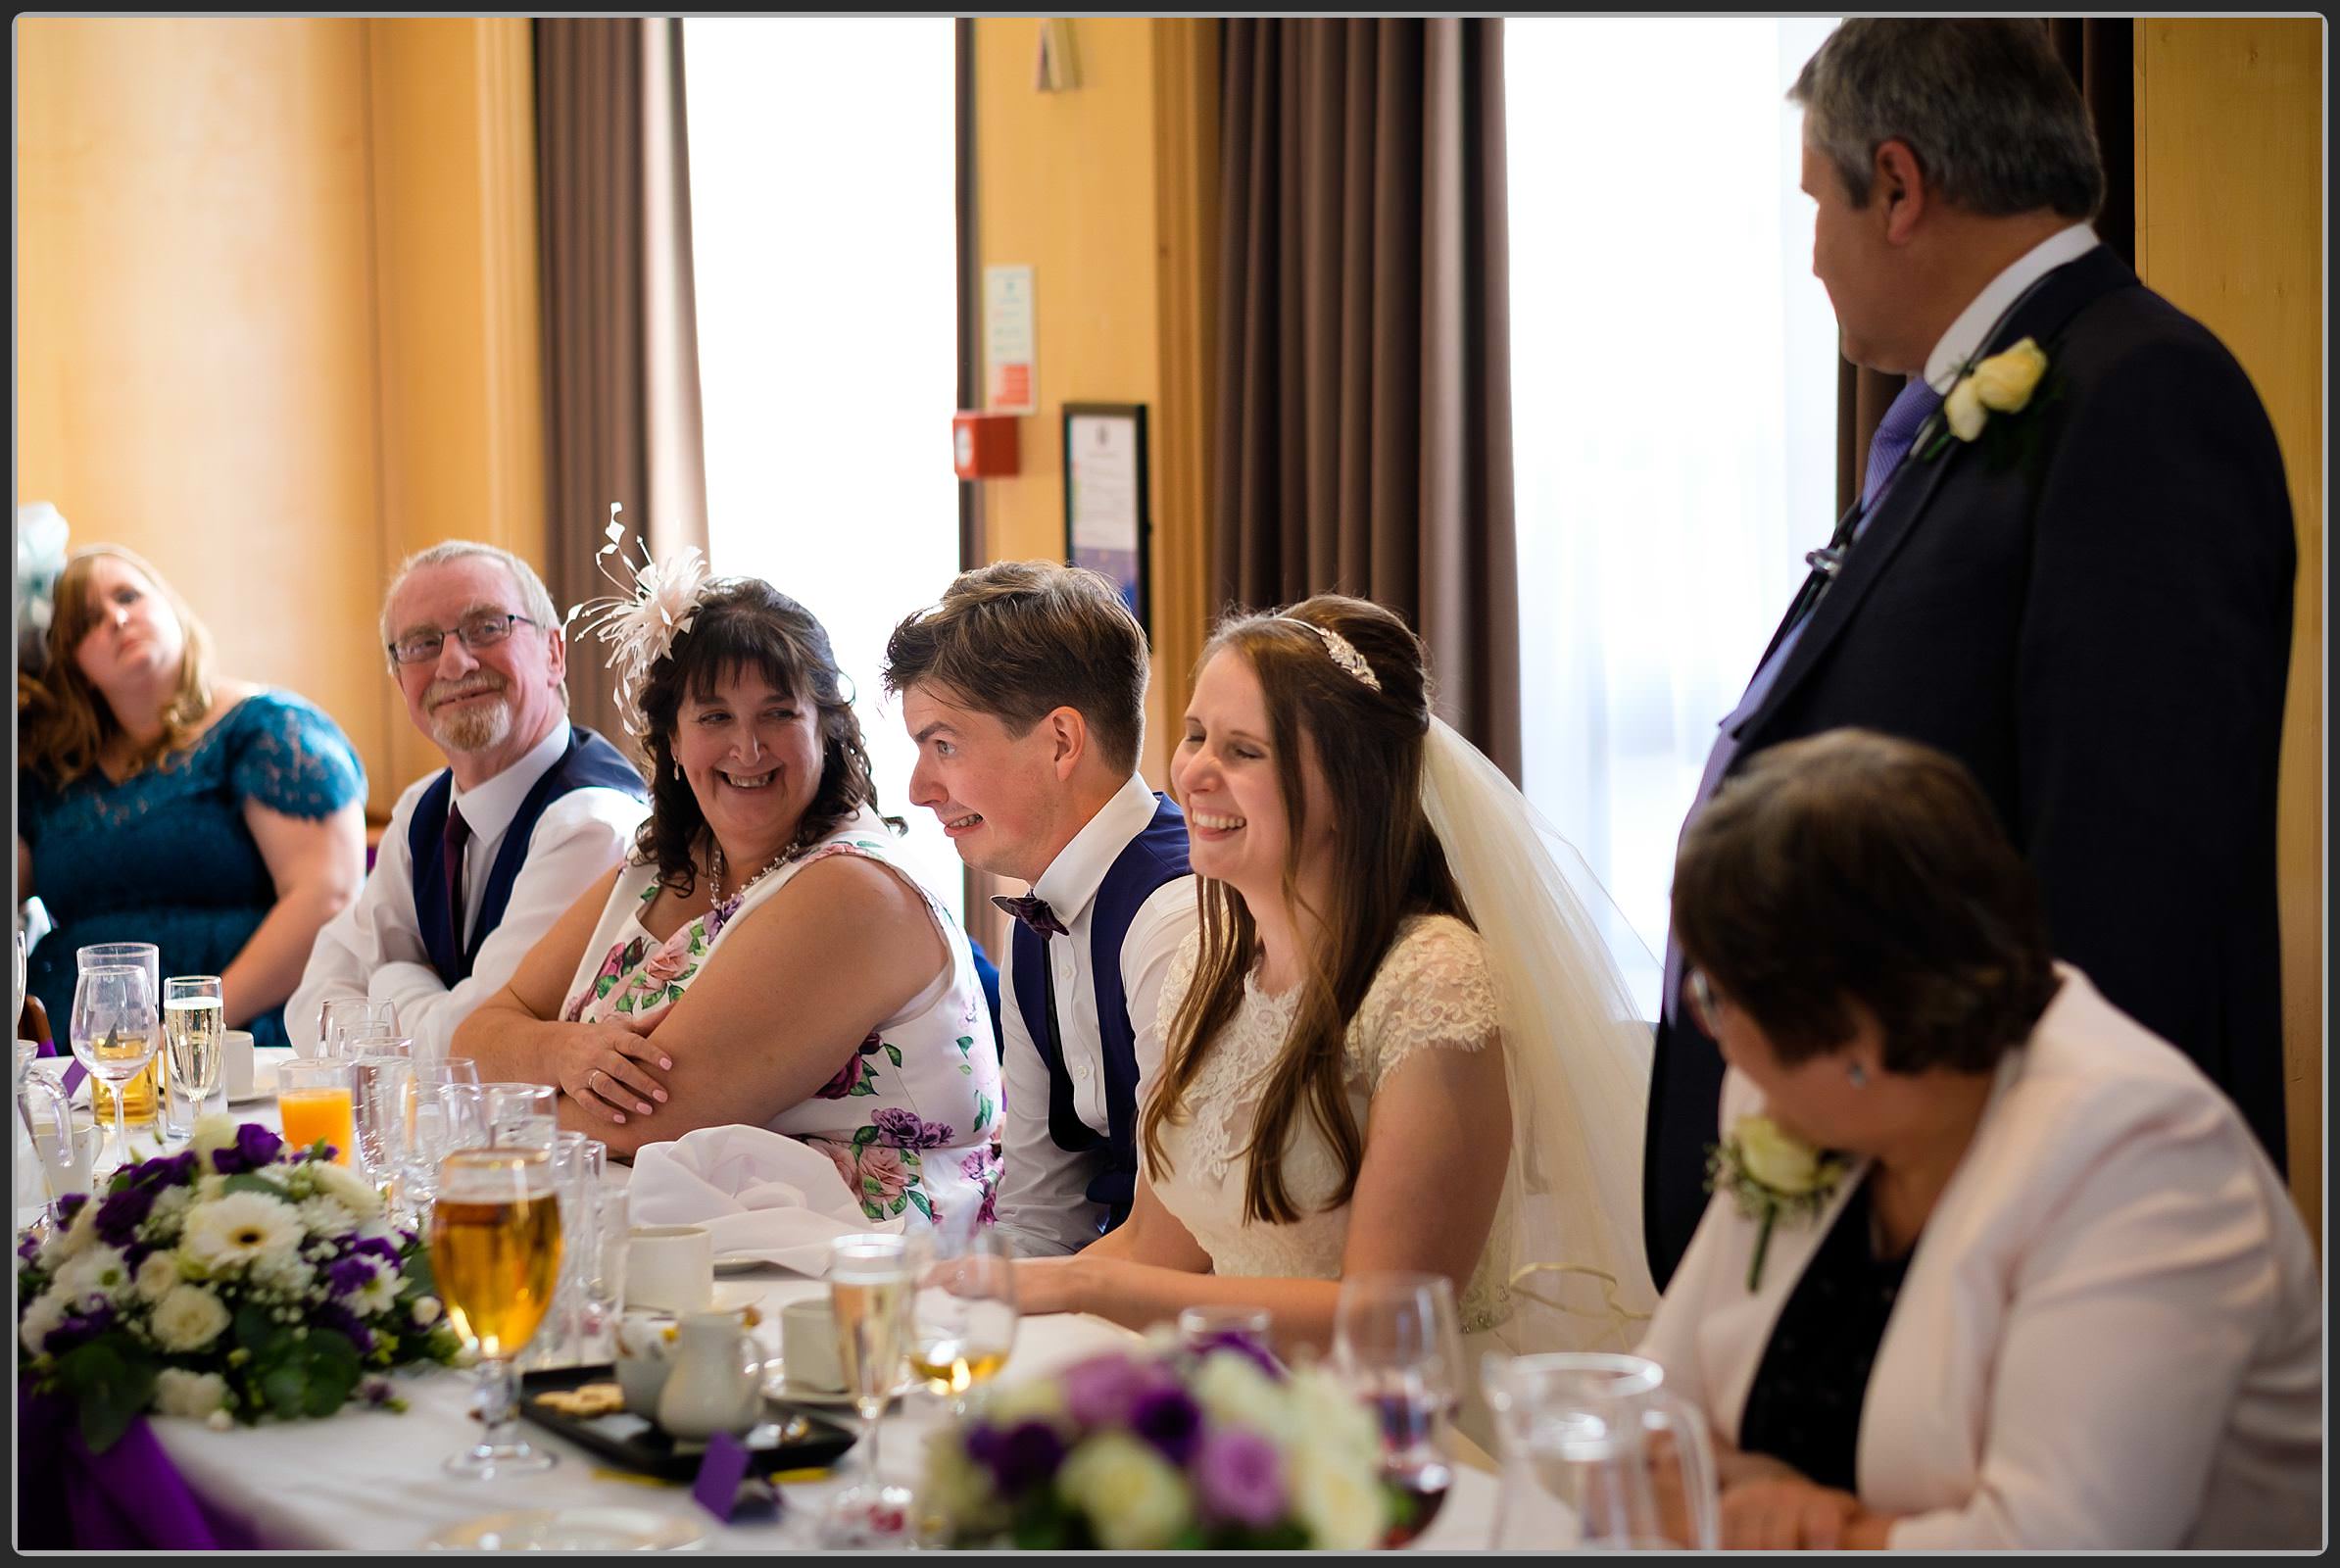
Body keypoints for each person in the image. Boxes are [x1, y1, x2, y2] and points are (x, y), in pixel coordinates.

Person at [1643, 18, 2298, 1287]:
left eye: (1815, 210)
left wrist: (1970, 1223)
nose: (1815, 262)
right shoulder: (1989, 396)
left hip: (2021, 1228)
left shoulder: (2140, 397)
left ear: (1898, 186)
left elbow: (2126, 881)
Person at [1639, 729, 2319, 1550]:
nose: (1710, 1028)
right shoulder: (1804, 1106)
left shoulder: (2138, 1154)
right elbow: (1658, 1416)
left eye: (1718, 995)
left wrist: (1821, 1530)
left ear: (1856, 1033)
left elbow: (2061, 1541)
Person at [1012, 595, 1657, 1435]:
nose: (1196, 773)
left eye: (1244, 751)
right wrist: (991, 1302)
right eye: (1197, 734)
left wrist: (1080, 1287)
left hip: (1398, 1438)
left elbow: (1387, 1324)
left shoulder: (1433, 979)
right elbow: (1149, 1250)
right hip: (1237, 1414)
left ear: (1348, 791)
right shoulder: (1213, 969)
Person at [454, 558, 1002, 1227]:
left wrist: (497, 1110)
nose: (748, 747)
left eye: (777, 714)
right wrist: (559, 1052)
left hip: (853, 1270)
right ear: (675, 742)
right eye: (715, 716)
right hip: (681, 1234)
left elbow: (656, 1116)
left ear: (825, 731)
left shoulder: (853, 889)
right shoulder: (657, 867)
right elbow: (476, 1036)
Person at [882, 562, 1198, 1256]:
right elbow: (1038, 1214)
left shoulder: (1175, 922)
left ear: (1061, 741)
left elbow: (1189, 1242)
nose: (919, 788)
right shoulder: (1038, 920)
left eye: (944, 744)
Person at [287, 543, 648, 1060]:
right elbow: (311, 1006)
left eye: (486, 628)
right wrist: (426, 1021)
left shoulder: (593, 823)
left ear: (553, 653)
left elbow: (478, 1046)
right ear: (399, 678)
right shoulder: (423, 809)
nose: (454, 664)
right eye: (421, 644)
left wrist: (391, 982)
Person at [17, 545, 366, 1051]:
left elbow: (327, 896)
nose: (116, 618)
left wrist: (189, 1029)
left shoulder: (264, 730)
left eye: (128, 596)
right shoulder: (52, 771)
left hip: (246, 1038)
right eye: (88, 621)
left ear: (171, 607)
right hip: (82, 1058)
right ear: (73, 663)